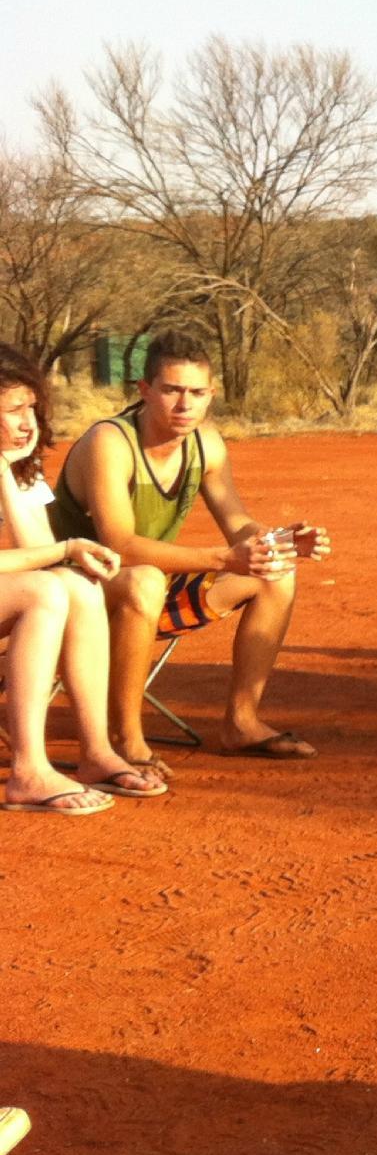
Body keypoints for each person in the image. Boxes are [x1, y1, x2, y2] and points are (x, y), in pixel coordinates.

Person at [49, 330, 331, 771]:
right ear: (144, 390)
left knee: (275, 572)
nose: (185, 405)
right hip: (79, 596)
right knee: (143, 579)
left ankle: (242, 722)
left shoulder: (206, 444)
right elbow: (119, 545)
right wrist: (223, 558)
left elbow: (237, 523)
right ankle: (126, 739)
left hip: (149, 592)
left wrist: (277, 541)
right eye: (172, 391)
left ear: (211, 395)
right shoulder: (110, 442)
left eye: (197, 393)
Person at [0, 345, 162, 813]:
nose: (29, 423)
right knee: (50, 588)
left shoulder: (17, 461)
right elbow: (43, 564)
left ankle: (95, 753)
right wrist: (67, 549)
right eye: (14, 411)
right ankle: (28, 769)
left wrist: (7, 474)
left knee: (76, 584)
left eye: (31, 407)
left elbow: (37, 558)